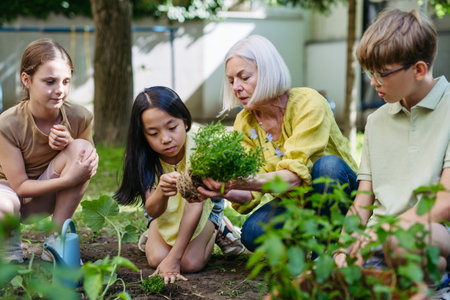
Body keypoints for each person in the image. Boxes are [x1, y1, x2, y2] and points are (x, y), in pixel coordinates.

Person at [198, 35, 359, 252]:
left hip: (340, 190)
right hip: (299, 203)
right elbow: (250, 192)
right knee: (253, 232)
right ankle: (312, 240)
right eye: (231, 80)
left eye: (244, 77)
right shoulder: (245, 122)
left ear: (268, 72)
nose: (236, 87)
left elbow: (293, 178)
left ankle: (328, 252)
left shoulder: (308, 102)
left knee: (327, 165)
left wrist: (241, 182)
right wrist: (224, 187)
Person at [333, 8, 450, 286]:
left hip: (432, 235)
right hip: (376, 241)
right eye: (370, 72)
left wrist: (383, 231)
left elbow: (445, 202)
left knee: (401, 242)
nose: (373, 82)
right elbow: (362, 202)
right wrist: (341, 250)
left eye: (382, 74)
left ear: (419, 69)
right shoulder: (376, 121)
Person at [114, 86, 244, 284]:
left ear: (184, 121)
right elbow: (153, 210)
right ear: (143, 135)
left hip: (202, 209)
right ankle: (157, 236)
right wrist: (161, 192)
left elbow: (195, 204)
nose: (165, 139)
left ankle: (219, 227)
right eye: (153, 133)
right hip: (163, 212)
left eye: (172, 127)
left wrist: (174, 259)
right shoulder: (145, 159)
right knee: (156, 259)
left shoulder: (200, 150)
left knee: (191, 263)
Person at [0, 38, 98, 263]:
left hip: (46, 196)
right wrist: (67, 180)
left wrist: (70, 143)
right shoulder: (7, 124)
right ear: (27, 79)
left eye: (66, 81)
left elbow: (88, 161)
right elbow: (21, 187)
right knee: (4, 204)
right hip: (10, 195)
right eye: (50, 81)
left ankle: (55, 240)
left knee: (82, 150)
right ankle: (9, 252)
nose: (60, 90)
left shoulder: (80, 117)